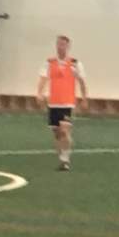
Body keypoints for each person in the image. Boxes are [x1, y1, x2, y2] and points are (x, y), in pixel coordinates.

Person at [35, 35, 87, 171]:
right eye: (58, 44)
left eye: (63, 45)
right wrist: (39, 93)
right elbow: (43, 79)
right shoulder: (49, 62)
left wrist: (84, 98)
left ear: (68, 47)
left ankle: (65, 160)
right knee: (57, 133)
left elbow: (81, 82)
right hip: (53, 103)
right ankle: (61, 159)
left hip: (68, 103)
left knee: (65, 131)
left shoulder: (75, 63)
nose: (60, 47)